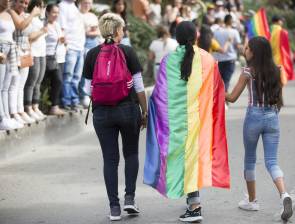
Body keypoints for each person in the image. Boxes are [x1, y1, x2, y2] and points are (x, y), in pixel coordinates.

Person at [144, 21, 230, 223]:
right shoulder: (207, 59)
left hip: (176, 123)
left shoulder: (168, 61)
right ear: (197, 36)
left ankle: (195, 206)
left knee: (181, 161)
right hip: (200, 122)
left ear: (177, 38)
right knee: (193, 161)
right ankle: (193, 202)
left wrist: (153, 115)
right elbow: (217, 90)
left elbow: (160, 94)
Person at [83, 13, 147, 221]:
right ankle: (130, 198)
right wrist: (144, 111)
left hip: (101, 113)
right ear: (119, 31)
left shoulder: (92, 54)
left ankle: (114, 208)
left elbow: (86, 88)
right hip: (128, 110)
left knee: (110, 159)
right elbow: (138, 86)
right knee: (131, 154)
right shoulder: (128, 52)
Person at [225, 36, 293, 221]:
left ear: (254, 52)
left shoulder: (248, 71)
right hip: (272, 117)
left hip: (253, 117)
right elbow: (280, 101)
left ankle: (253, 201)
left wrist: (216, 89)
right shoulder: (277, 70)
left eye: (247, 48)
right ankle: (285, 195)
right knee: (272, 161)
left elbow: (231, 98)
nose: (244, 50)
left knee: (250, 159)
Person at [8, 0, 41, 124]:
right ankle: (13, 112)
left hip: (25, 52)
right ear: (14, 2)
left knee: (21, 85)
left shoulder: (24, 15)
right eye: (21, 2)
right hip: (14, 52)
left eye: (26, 3)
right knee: (14, 85)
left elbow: (28, 35)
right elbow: (20, 26)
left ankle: (20, 110)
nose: (24, 5)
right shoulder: (11, 11)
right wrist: (32, 14)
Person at [58, 0, 86, 112]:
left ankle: (74, 101)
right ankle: (66, 101)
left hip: (79, 47)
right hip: (71, 48)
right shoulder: (62, 6)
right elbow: (62, 29)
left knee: (76, 78)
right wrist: (66, 46)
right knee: (68, 76)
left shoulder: (74, 6)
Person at [0, 0, 23, 130]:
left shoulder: (9, 14)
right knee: (0, 86)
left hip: (11, 50)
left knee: (6, 86)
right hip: (1, 51)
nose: (9, 1)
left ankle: (7, 117)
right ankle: (2, 118)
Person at [24, 0, 47, 121]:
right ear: (36, 7)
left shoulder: (40, 19)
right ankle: (27, 108)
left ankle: (35, 107)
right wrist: (42, 31)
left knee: (38, 82)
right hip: (33, 53)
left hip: (42, 53)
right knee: (31, 82)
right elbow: (30, 37)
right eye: (41, 6)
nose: (43, 9)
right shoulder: (29, 17)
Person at [44, 3, 66, 116]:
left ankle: (54, 106)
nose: (56, 15)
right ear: (47, 12)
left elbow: (60, 39)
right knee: (55, 81)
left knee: (57, 82)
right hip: (49, 57)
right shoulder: (44, 24)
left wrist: (64, 41)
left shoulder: (57, 24)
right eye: (53, 12)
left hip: (59, 57)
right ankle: (50, 106)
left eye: (57, 12)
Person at [79, 0, 101, 108]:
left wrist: (90, 32)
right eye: (85, 2)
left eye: (89, 3)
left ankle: (93, 95)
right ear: (80, 3)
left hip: (94, 45)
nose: (87, 5)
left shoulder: (93, 16)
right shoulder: (78, 15)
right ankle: (84, 96)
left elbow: (97, 32)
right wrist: (90, 32)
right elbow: (83, 32)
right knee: (84, 72)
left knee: (94, 72)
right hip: (83, 45)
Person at [213, 14, 241, 92]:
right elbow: (238, 46)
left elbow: (214, 44)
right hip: (230, 59)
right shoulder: (234, 32)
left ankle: (222, 99)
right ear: (231, 21)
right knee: (226, 80)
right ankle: (224, 99)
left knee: (220, 81)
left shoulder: (216, 32)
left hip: (219, 59)